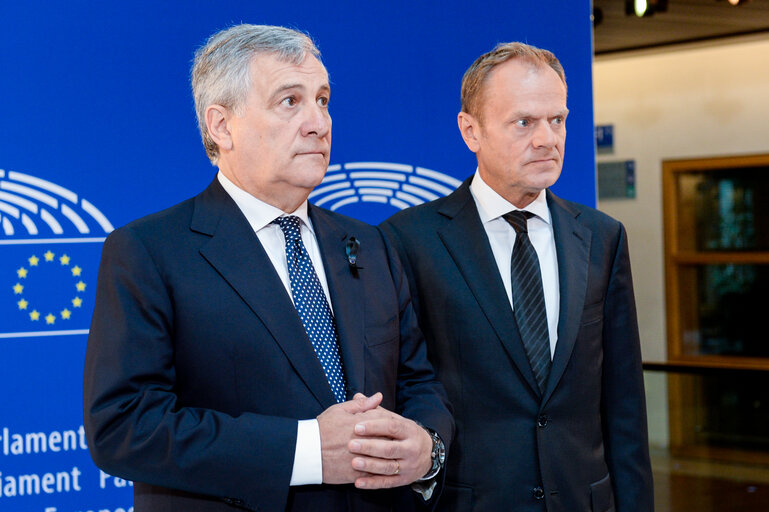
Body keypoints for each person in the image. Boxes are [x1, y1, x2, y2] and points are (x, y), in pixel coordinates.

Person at [83, 24, 453, 512]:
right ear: (222, 125)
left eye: (322, 99)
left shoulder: (369, 242)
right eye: (290, 101)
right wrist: (306, 451)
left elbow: (416, 381)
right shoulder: (149, 251)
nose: (319, 123)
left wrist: (427, 448)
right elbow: (124, 426)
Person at [381, 43, 653, 511]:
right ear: (471, 131)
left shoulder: (601, 237)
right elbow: (405, 389)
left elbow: (624, 404)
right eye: (524, 122)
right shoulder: (407, 241)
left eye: (558, 120)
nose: (548, 139)